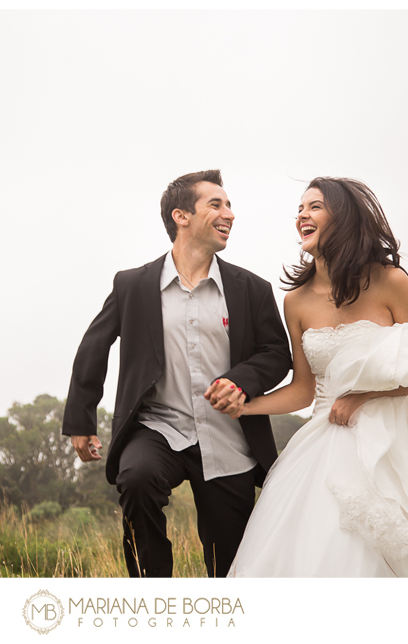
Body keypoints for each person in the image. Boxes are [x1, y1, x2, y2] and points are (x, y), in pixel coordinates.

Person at [206, 177, 408, 577]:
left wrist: (364, 397)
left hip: (394, 443)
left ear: (343, 217)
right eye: (299, 209)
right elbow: (303, 390)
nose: (302, 215)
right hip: (322, 444)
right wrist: (245, 405)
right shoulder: (295, 301)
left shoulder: (389, 281)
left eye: (313, 206)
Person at [62, 170, 292, 578]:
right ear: (181, 216)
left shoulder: (251, 289)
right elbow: (94, 346)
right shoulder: (133, 284)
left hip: (228, 439)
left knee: (230, 566)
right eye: (216, 204)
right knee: (136, 479)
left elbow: (276, 354)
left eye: (230, 205)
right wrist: (81, 420)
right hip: (157, 428)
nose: (230, 214)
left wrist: (240, 381)